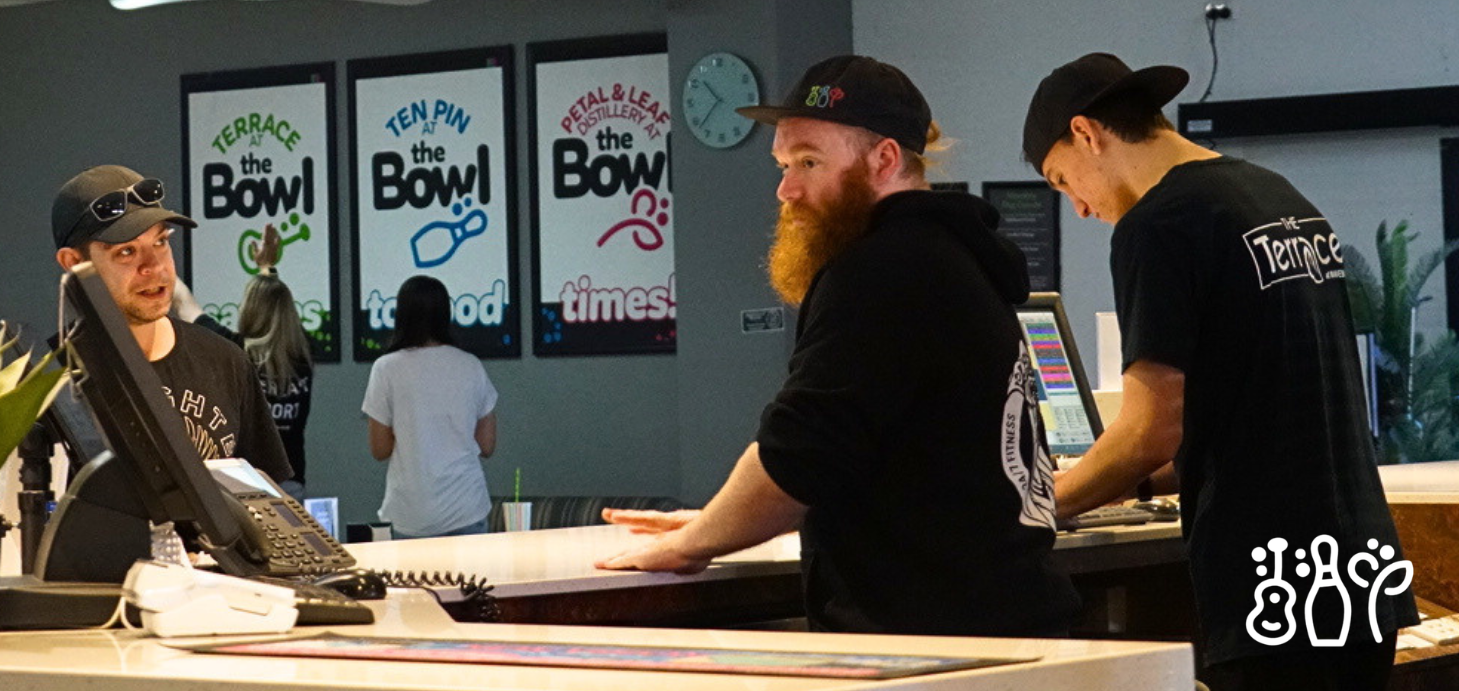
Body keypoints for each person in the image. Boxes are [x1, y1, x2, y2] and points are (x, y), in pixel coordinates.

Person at [598, 55, 1079, 638]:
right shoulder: (951, 257)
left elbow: (799, 453)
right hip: (1007, 618)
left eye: (808, 162)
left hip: (934, 643)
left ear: (884, 159)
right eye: (781, 164)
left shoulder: (882, 269)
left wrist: (689, 546)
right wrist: (720, 519)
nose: (785, 189)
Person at [1022, 53, 1410, 690]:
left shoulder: (1159, 224)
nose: (1082, 210)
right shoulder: (1278, 197)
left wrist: (1040, 505)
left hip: (1272, 590)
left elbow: (1152, 427)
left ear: (1088, 134)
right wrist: (1136, 486)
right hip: (1360, 578)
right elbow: (1268, 409)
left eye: (1063, 181)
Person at [51, 164, 291, 481]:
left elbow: (267, 502)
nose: (155, 267)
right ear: (74, 263)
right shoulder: (49, 382)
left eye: (161, 242)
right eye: (126, 251)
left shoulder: (225, 361)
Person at [361, 275, 497, 539]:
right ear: (446, 313)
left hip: (410, 513)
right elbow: (487, 445)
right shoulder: (470, 365)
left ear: (400, 314)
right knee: (473, 582)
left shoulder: (386, 368)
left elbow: (379, 449)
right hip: (466, 507)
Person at [236, 270, 313, 498]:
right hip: (290, 482)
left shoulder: (236, 349)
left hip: (247, 481)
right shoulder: (303, 357)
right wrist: (267, 268)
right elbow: (275, 306)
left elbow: (187, 306)